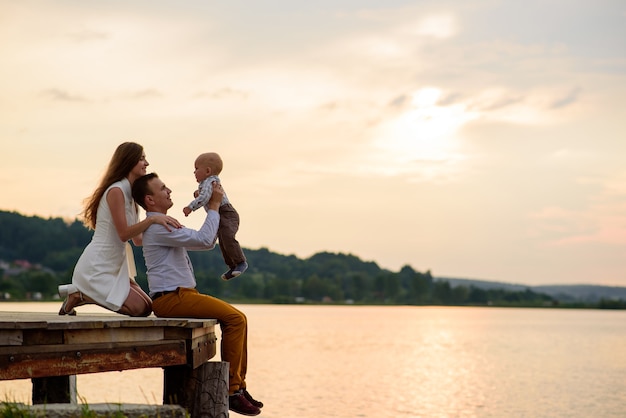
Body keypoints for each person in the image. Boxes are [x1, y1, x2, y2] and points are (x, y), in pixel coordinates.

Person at [132, 172, 263, 417]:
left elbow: (206, 241)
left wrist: (211, 208)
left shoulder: (162, 223)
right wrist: (213, 206)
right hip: (172, 298)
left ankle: (238, 387)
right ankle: (233, 390)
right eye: (163, 188)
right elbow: (204, 240)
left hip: (180, 295)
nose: (169, 190)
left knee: (238, 319)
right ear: (149, 200)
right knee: (236, 319)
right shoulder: (158, 227)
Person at [58, 142, 181, 317]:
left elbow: (137, 240)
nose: (146, 163)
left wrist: (173, 237)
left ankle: (81, 295)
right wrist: (153, 219)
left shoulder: (131, 194)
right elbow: (124, 234)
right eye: (142, 159)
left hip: (116, 263)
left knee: (147, 306)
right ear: (129, 161)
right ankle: (82, 293)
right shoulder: (116, 190)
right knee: (138, 309)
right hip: (98, 265)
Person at [182, 152, 248, 281]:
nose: (194, 172)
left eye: (196, 169)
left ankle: (241, 262)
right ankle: (232, 266)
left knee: (228, 237)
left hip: (227, 213)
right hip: (220, 213)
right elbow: (205, 195)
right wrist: (198, 193)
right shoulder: (205, 184)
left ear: (207, 171)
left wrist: (191, 207)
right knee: (223, 240)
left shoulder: (210, 181)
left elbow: (205, 197)